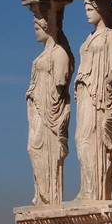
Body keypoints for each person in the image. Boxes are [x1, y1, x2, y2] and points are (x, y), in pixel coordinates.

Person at [73, 0, 112, 200]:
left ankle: (95, 190)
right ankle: (88, 187)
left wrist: (104, 84)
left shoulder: (111, 37)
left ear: (100, 9)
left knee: (93, 140)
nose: (86, 12)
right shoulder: (89, 37)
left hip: (99, 95)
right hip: (85, 93)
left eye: (89, 8)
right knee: (81, 139)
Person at [25, 12, 72, 206]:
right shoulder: (44, 54)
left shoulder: (59, 53)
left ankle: (50, 197)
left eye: (37, 28)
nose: (35, 32)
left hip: (50, 111)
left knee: (44, 149)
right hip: (37, 108)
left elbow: (60, 83)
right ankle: (43, 195)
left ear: (47, 28)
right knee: (33, 149)